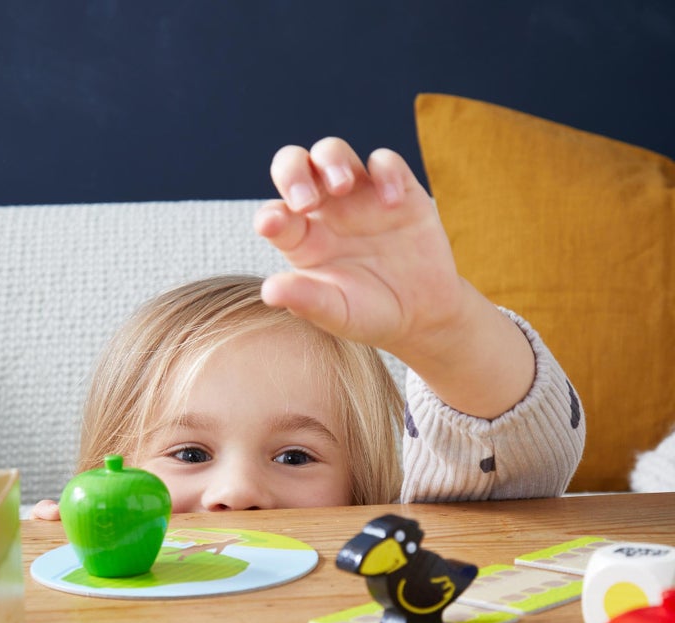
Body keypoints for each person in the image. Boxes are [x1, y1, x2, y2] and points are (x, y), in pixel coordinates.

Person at [32, 137, 585, 518]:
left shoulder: (384, 548)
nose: (238, 492)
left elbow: (508, 464)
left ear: (364, 491)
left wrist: (445, 333)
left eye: (295, 457)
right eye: (190, 454)